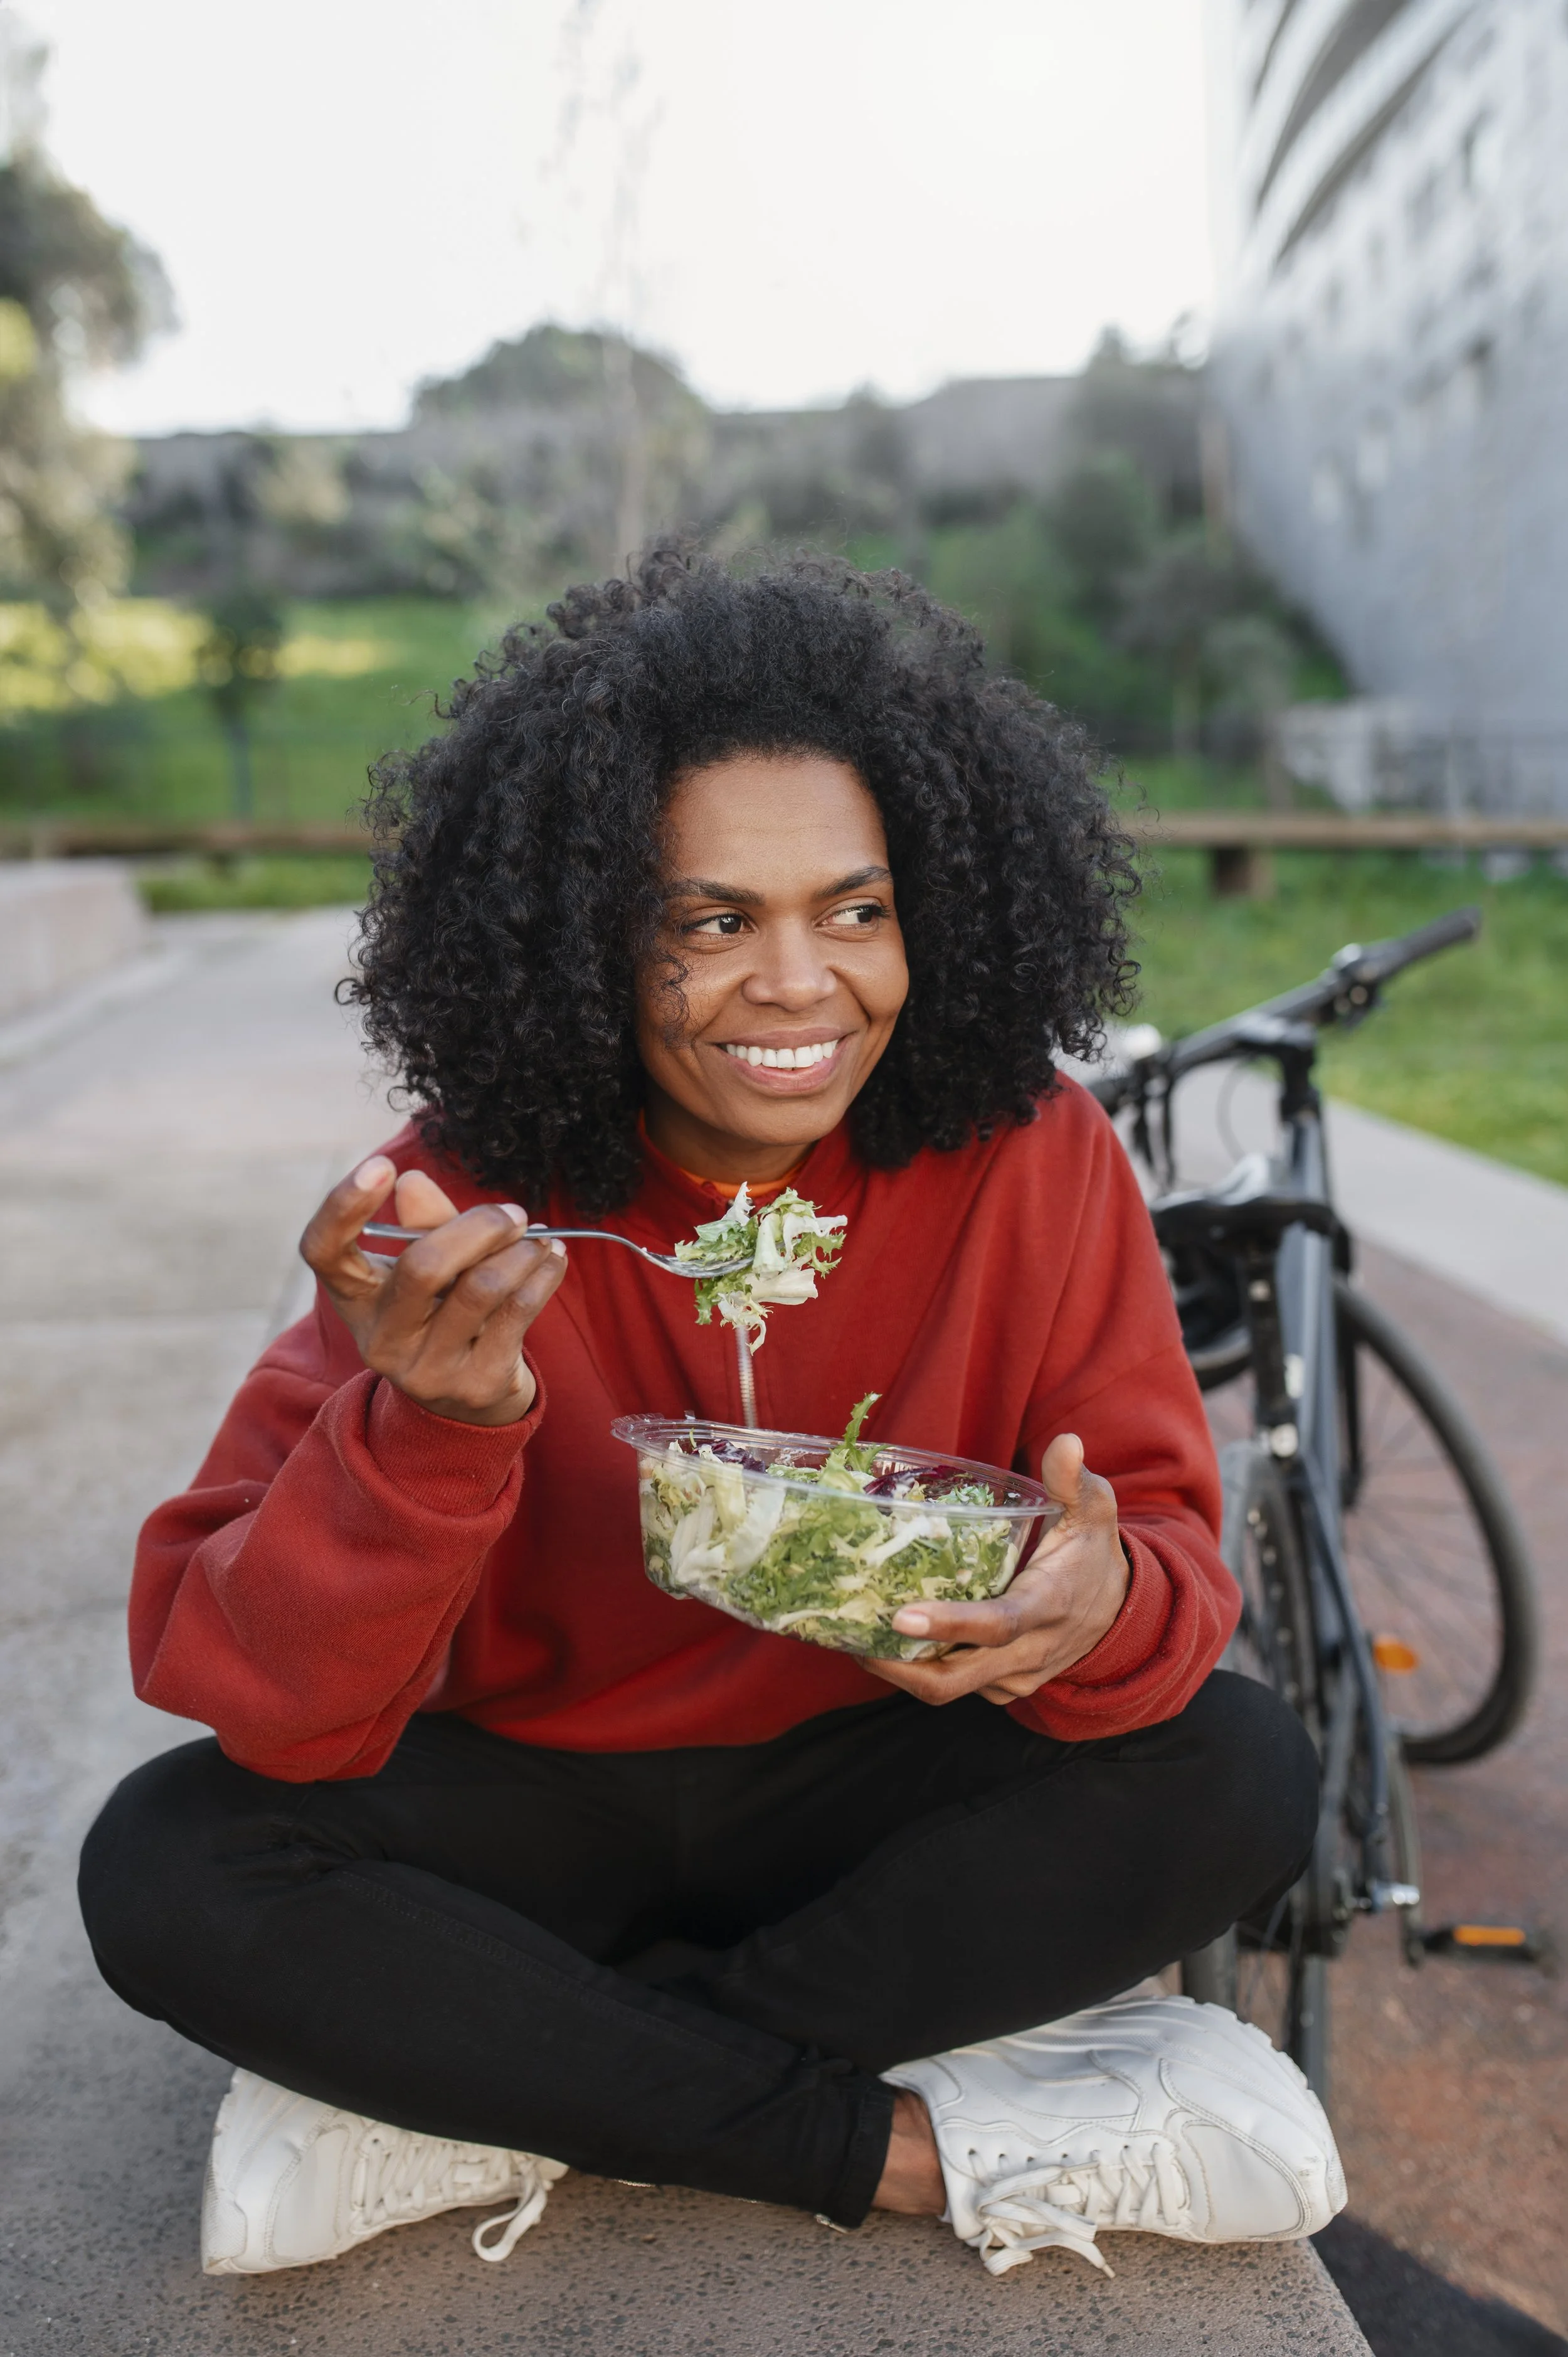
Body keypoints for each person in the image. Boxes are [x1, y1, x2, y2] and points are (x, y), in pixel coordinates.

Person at [78, 550, 1340, 2280]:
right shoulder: (457, 1205)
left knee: (1241, 1765)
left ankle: (513, 2079)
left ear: (938, 911)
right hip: (538, 1809)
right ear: (585, 933)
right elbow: (269, 1701)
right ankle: (885, 2143)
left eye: (855, 906)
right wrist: (430, 1424)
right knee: (167, 1861)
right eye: (709, 919)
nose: (799, 984)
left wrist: (1093, 1604)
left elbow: (1166, 1576)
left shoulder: (1033, 1155)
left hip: (861, 1815)